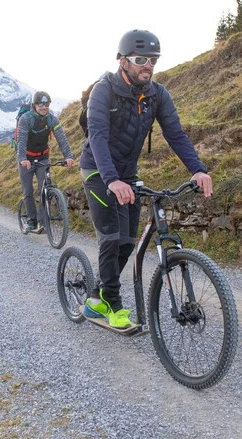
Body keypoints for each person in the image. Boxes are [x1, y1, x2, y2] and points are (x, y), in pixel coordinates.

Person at [80, 29, 213, 329]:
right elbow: (98, 137)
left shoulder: (157, 94)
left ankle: (96, 298)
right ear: (122, 60)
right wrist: (112, 180)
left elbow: (175, 134)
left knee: (128, 242)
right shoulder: (104, 91)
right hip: (98, 171)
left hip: (127, 173)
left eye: (153, 60)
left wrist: (198, 169)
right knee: (112, 237)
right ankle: (113, 305)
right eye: (141, 59)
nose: (148, 66)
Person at [16, 91, 74, 232]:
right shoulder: (25, 119)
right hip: (26, 159)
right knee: (28, 191)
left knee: (44, 188)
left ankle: (42, 222)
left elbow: (62, 139)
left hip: (43, 158)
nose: (44, 107)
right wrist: (23, 159)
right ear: (34, 105)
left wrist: (68, 156)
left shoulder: (52, 119)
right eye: (41, 104)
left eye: (46, 104)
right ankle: (31, 220)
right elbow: (21, 141)